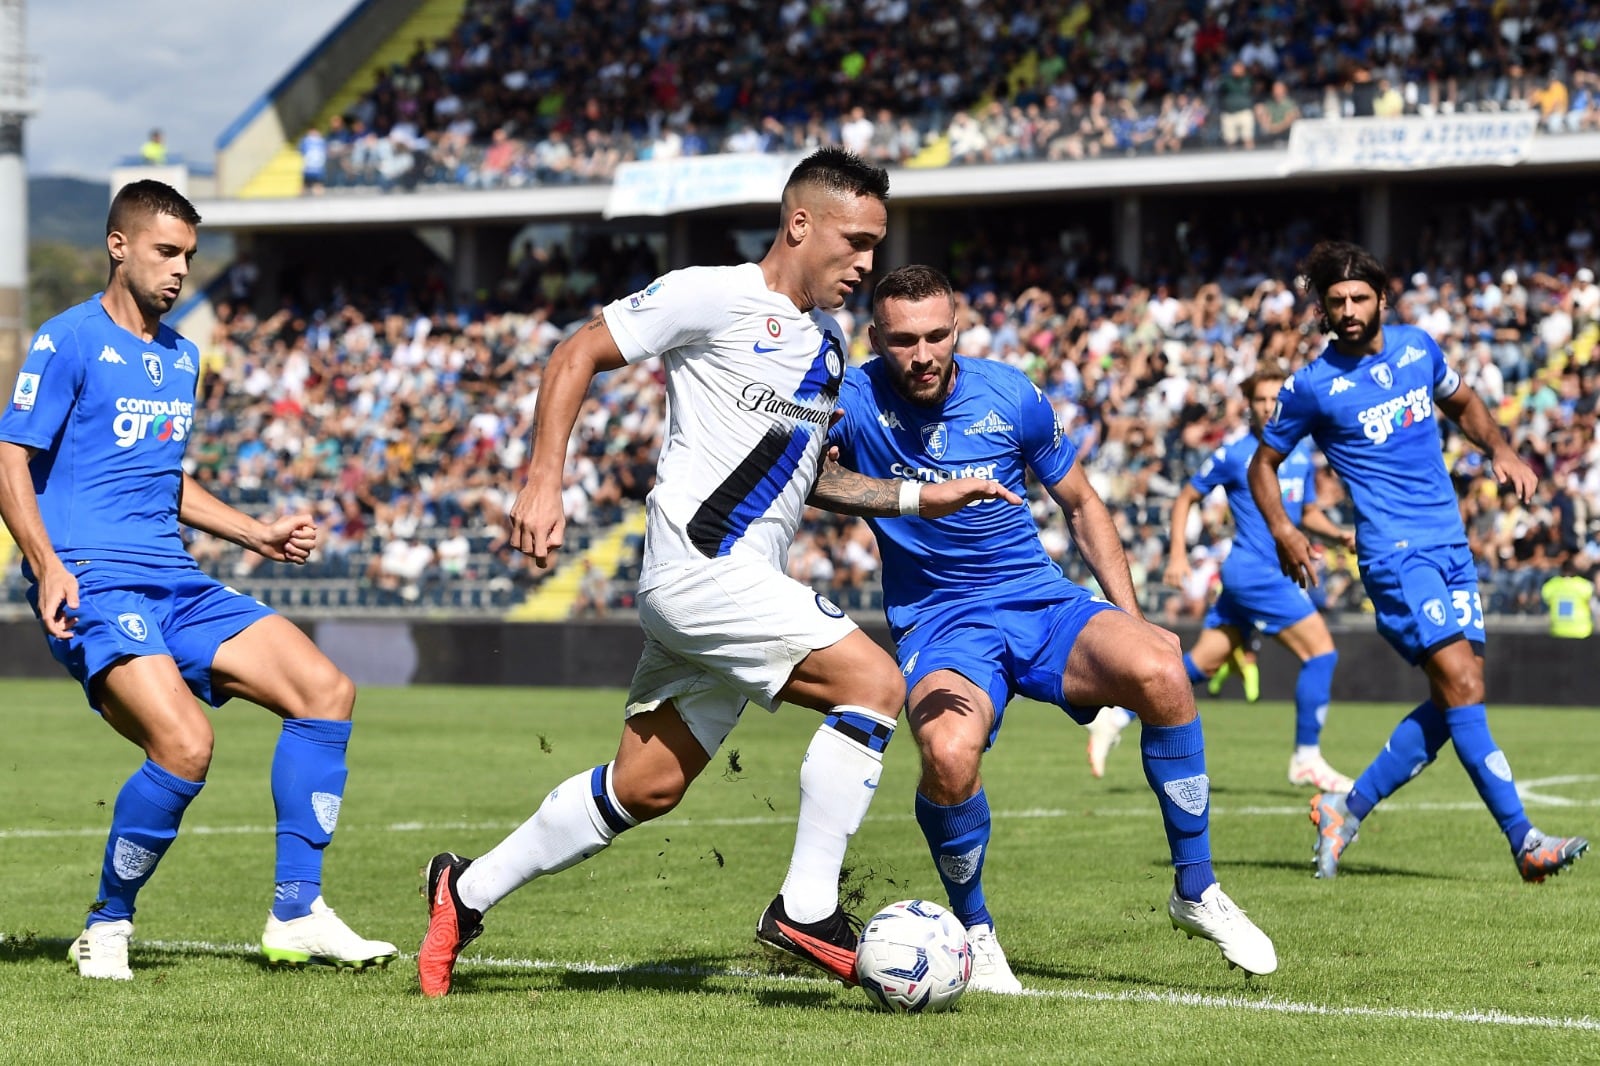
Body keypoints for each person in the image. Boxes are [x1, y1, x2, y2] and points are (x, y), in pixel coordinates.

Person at [415, 150, 1018, 997]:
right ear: (799, 224)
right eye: (854, 241)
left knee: (645, 787)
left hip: (727, 590)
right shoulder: (715, 293)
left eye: (875, 246)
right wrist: (544, 477)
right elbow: (575, 353)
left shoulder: (828, 345)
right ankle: (806, 909)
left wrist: (920, 498)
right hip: (702, 571)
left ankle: (462, 891)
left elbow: (814, 479)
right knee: (875, 684)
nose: (866, 264)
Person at [822, 264, 1277, 994]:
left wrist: (1125, 623)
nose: (924, 354)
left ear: (958, 325)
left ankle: (1196, 890)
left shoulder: (1011, 394)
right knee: (946, 751)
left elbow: (1085, 505)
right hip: (942, 624)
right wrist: (914, 497)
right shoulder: (847, 400)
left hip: (1038, 602)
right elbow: (809, 477)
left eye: (937, 335)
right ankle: (974, 932)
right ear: (877, 339)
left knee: (1161, 664)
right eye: (904, 340)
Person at [0, 180, 395, 980]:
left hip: (177, 581)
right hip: (96, 585)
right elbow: (10, 458)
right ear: (120, 245)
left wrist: (255, 530)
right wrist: (45, 566)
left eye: (189, 255)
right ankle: (106, 925)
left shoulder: (182, 357)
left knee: (327, 690)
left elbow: (162, 476)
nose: (180, 270)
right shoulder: (67, 339)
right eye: (165, 251)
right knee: (185, 744)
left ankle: (297, 913)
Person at [1248, 239, 1589, 882]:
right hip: (1395, 555)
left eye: (1359, 298)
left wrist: (1500, 449)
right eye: (1336, 302)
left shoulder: (1417, 349)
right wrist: (1284, 532)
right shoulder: (1313, 386)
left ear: (1381, 297)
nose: (1349, 310)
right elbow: (1262, 465)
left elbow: (1462, 404)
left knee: (1456, 696)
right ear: (1323, 310)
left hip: (1451, 545)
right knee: (1461, 686)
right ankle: (1525, 841)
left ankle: (1343, 809)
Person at [1086, 365, 1356, 792]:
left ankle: (1115, 717)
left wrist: (1340, 534)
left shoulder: (1299, 451)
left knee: (1202, 662)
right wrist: (1177, 554)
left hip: (1267, 574)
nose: (1269, 407)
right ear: (1248, 406)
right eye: (1261, 400)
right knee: (1321, 654)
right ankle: (1307, 757)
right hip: (1254, 573)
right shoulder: (1236, 453)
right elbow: (1187, 497)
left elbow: (1303, 514)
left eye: (1275, 399)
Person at [1540, 558, 1595, 639]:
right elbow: (1591, 605)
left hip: (1558, 630)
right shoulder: (1584, 585)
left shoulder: (1551, 585)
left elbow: (1546, 602)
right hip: (1581, 631)